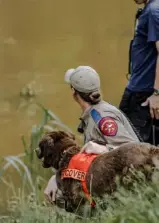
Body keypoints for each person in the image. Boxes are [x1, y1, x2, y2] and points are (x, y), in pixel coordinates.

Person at [44, 65, 141, 204]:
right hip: (110, 177)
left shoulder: (101, 117)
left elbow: (135, 149)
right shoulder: (92, 113)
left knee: (60, 195)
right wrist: (57, 177)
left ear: (74, 92)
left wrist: (106, 149)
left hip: (128, 183)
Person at [119, 0, 159, 145]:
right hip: (142, 89)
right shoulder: (151, 9)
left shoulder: (154, 10)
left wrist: (156, 94)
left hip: (143, 94)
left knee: (130, 148)